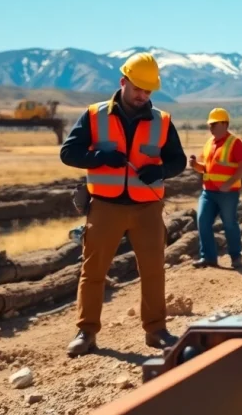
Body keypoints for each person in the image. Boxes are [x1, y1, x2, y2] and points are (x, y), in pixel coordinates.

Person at [59, 52, 186, 357]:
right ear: (123, 82)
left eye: (148, 91)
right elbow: (68, 153)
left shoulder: (162, 120)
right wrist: (99, 158)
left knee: (154, 269)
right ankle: (86, 332)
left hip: (147, 208)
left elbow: (178, 161)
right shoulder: (94, 115)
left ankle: (156, 331)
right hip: (105, 207)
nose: (142, 95)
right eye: (137, 88)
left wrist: (161, 170)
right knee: (93, 270)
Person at [189, 107, 242, 269]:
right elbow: (206, 168)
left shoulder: (235, 143)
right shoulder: (209, 143)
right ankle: (208, 257)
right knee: (203, 221)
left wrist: (229, 183)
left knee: (229, 224)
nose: (211, 127)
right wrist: (195, 165)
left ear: (225, 124)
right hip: (208, 192)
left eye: (214, 124)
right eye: (210, 124)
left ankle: (236, 257)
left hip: (228, 194)